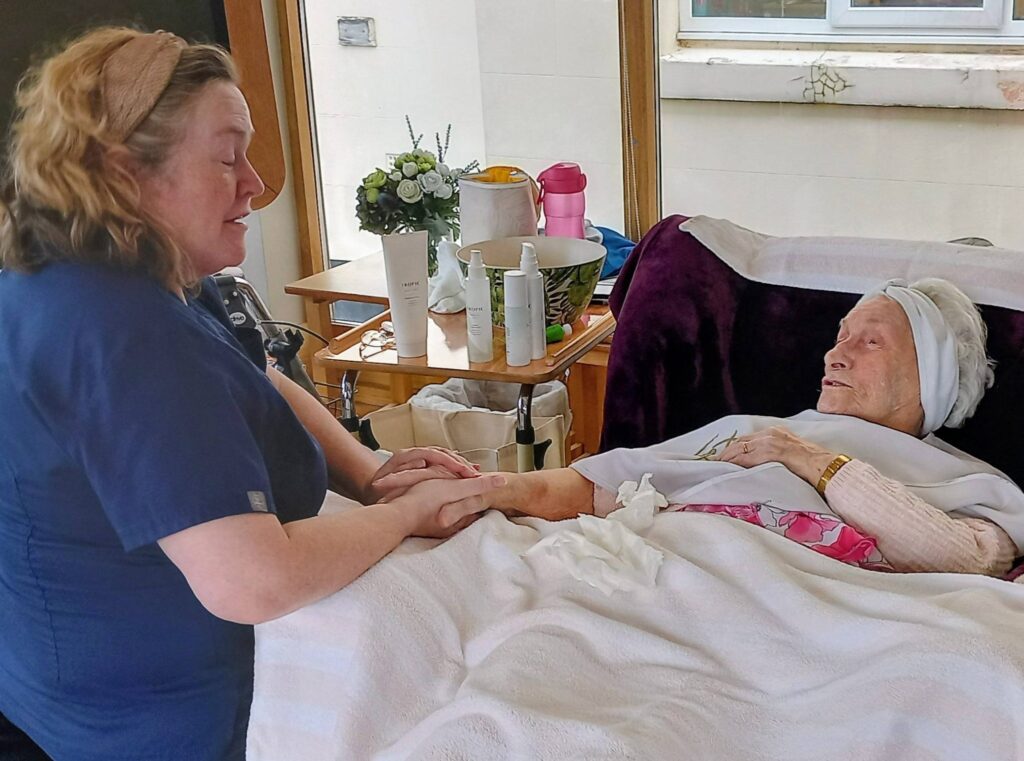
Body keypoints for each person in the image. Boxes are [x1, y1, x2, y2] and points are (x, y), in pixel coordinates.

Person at [0, 28, 503, 760]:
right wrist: (409, 514)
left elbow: (253, 368)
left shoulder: (110, 269)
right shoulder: (122, 334)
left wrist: (371, 473)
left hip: (54, 684)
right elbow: (254, 581)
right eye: (227, 156)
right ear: (122, 169)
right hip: (164, 725)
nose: (255, 184)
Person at [471, 278, 1024, 576]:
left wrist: (805, 459)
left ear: (930, 378)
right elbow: (605, 487)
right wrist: (491, 490)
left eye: (870, 341)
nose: (835, 355)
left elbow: (961, 558)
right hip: (649, 574)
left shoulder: (968, 482)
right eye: (841, 335)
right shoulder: (756, 428)